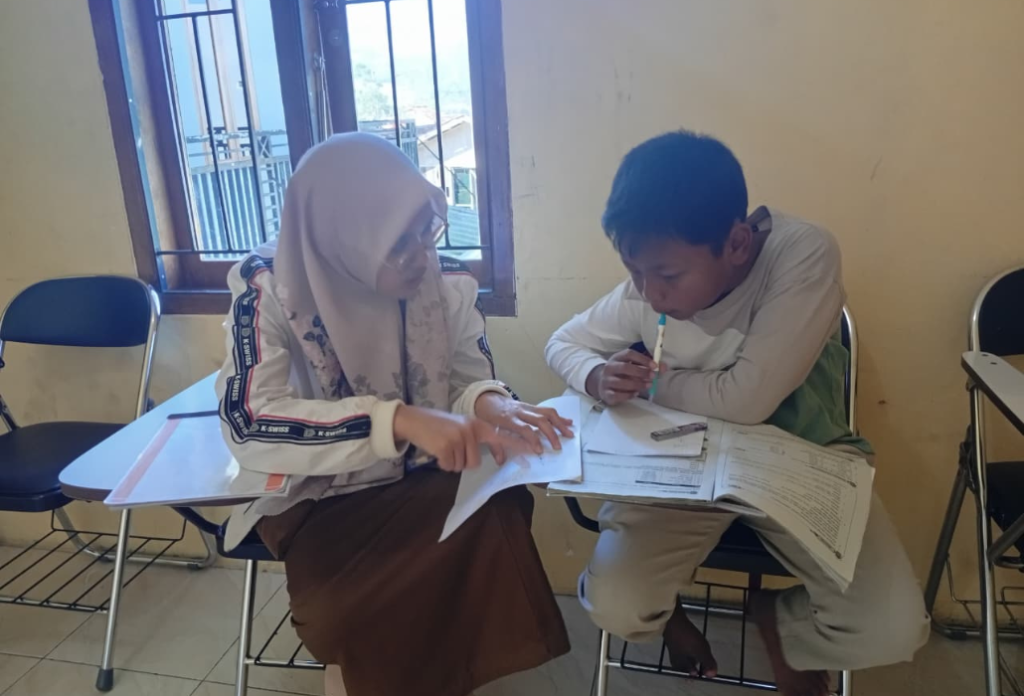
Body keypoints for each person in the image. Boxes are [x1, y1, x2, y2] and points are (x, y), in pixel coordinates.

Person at [545, 131, 929, 696]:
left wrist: (650, 384)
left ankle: (779, 622)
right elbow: (564, 342)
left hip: (797, 453)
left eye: (667, 277)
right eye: (634, 270)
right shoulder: (650, 278)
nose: (650, 295)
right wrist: (597, 375)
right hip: (682, 463)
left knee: (891, 628)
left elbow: (746, 401)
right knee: (617, 605)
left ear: (737, 243)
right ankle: (665, 613)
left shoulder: (803, 254)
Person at [215, 133, 572, 696]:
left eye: (426, 231)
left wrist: (493, 403)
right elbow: (250, 422)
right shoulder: (270, 291)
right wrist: (395, 420)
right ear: (347, 238)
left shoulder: (445, 283)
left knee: (498, 511)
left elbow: (466, 378)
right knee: (343, 613)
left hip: (422, 475)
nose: (421, 256)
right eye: (398, 242)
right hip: (320, 496)